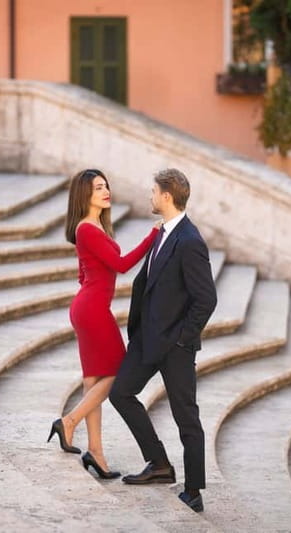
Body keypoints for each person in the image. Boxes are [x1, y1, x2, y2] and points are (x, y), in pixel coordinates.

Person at [109, 168, 217, 512]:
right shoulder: (164, 232)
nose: (151, 196)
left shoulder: (190, 241)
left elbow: (206, 298)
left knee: (186, 417)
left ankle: (194, 490)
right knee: (120, 393)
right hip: (148, 339)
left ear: (167, 197)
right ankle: (159, 464)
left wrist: (184, 339)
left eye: (154, 191)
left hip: (174, 346)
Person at [48, 168, 160, 480]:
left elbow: (83, 273)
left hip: (89, 306)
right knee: (118, 373)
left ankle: (96, 452)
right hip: (93, 310)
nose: (105, 191)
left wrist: (91, 291)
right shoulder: (87, 229)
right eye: (98, 188)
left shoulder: (94, 226)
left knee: (92, 380)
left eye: (106, 186)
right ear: (85, 194)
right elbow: (122, 265)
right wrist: (153, 235)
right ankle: (68, 422)